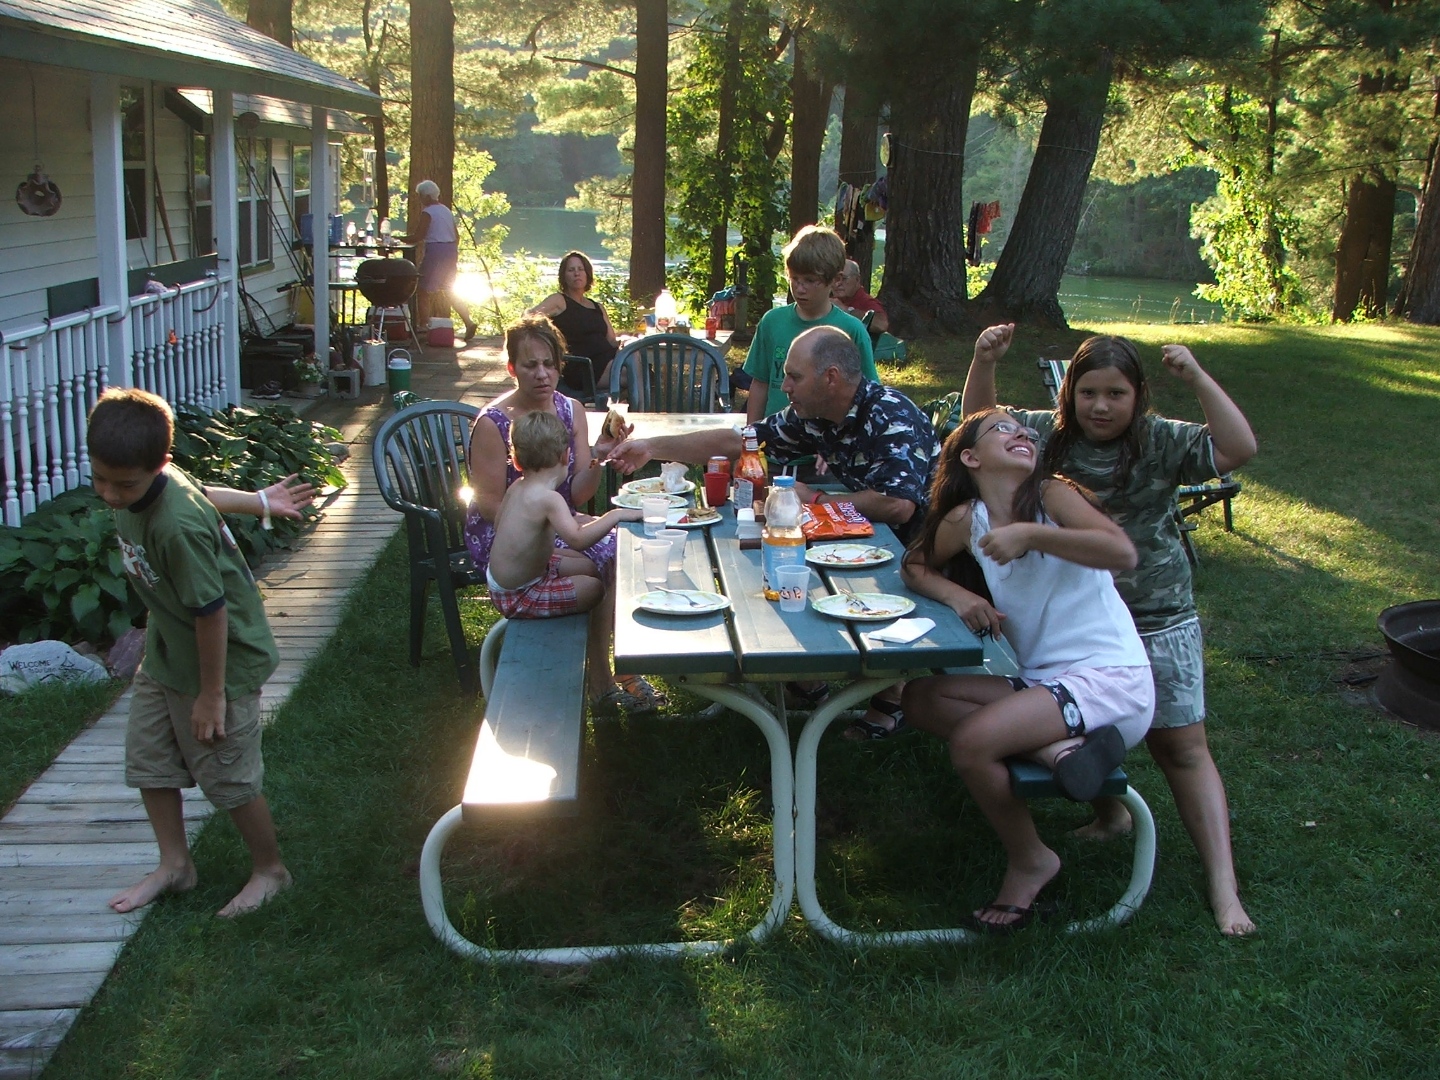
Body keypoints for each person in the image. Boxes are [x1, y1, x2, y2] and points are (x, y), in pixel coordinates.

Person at [962, 326, 1259, 937]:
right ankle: (1110, 815)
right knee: (1072, 719)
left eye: (1116, 394)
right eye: (1088, 393)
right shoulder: (1049, 437)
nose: (1100, 406)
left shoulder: (1160, 439)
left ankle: (1223, 887)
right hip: (1077, 623)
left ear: (1138, 396)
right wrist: (984, 361)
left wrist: (1197, 377)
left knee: (1181, 748)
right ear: (1069, 394)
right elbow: (980, 431)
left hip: (1155, 613)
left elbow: (1237, 449)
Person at [610, 324, 936, 735]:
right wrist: (651, 447)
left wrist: (815, 499)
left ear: (831, 378)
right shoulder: (817, 415)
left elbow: (898, 506)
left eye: (794, 376)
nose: (785, 387)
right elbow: (740, 441)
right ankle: (807, 674)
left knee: (780, 566)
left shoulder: (890, 415)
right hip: (861, 539)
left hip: (923, 550)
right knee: (773, 568)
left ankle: (889, 691)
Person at [899, 408, 1154, 933]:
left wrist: (1031, 535)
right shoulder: (967, 519)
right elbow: (915, 565)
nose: (1021, 432)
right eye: (1002, 428)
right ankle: (1059, 753)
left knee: (973, 743)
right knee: (920, 698)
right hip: (1044, 681)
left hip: (1110, 680)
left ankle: (1031, 859)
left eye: (1024, 428)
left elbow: (1121, 552)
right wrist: (960, 595)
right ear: (970, 458)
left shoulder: (1051, 496)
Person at [86, 389, 307, 918]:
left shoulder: (176, 526)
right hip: (168, 650)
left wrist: (211, 696)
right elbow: (202, 490)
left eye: (124, 485)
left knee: (228, 775)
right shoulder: (151, 485)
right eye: (100, 480)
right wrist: (258, 501)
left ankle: (271, 870)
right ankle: (176, 865)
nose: (111, 495)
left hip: (221, 664)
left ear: (158, 464)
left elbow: (212, 613)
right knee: (150, 761)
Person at [464, 316, 660, 714]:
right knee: (602, 555)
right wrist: (553, 529)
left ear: (560, 365)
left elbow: (579, 492)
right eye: (530, 365)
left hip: (553, 520)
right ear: (511, 367)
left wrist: (601, 454)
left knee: (619, 549)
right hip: (508, 538)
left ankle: (623, 663)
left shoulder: (571, 410)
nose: (542, 374)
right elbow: (490, 504)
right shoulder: (493, 423)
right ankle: (602, 682)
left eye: (549, 364)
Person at [488, 410, 646, 707]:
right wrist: (616, 515)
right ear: (565, 456)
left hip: (512, 577)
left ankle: (607, 650)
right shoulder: (549, 499)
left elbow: (500, 528)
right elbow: (577, 538)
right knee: (594, 588)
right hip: (520, 594)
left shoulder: (517, 487)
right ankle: (603, 666)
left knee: (592, 566)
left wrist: (536, 552)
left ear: (517, 461)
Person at [744, 225, 878, 421]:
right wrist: (752, 432)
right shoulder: (772, 322)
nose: (800, 289)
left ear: (835, 280)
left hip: (830, 435)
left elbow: (868, 393)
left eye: (809, 280)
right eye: (794, 278)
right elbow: (760, 384)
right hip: (775, 434)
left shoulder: (852, 330)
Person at [527, 251, 619, 390]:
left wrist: (629, 344)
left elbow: (611, 340)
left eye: (580, 269)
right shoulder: (559, 301)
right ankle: (642, 403)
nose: (577, 273)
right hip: (584, 366)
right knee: (636, 372)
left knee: (637, 359)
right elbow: (529, 317)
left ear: (587, 274)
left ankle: (639, 402)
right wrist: (546, 342)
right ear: (564, 276)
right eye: (571, 270)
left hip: (608, 359)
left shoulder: (597, 307)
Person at [408, 180, 477, 344]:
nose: (420, 199)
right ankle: (468, 321)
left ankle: (424, 326)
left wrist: (398, 239)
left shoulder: (428, 212)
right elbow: (457, 236)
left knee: (422, 289)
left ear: (427, 196)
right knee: (449, 289)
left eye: (420, 196)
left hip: (436, 252)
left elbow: (418, 236)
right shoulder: (446, 210)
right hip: (451, 251)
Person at [832, 259, 889, 335]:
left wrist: (847, 310)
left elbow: (882, 325)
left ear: (857, 279)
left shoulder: (866, 302)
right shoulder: (827, 301)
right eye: (835, 279)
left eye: (844, 278)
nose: (837, 284)